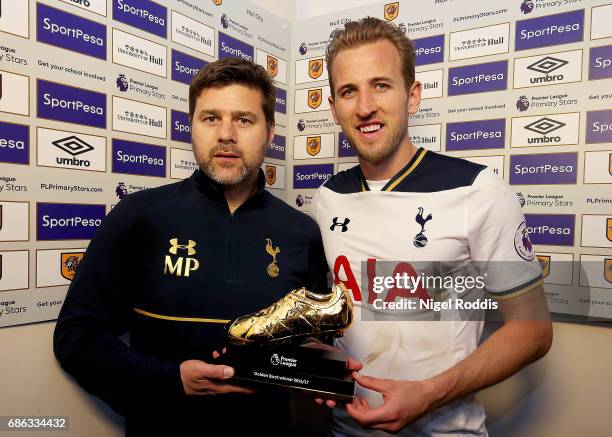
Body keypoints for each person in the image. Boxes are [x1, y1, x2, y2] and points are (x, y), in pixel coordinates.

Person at [53, 58, 328, 436]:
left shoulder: (302, 233)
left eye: (244, 120)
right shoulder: (139, 216)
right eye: (211, 118)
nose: (226, 134)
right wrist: (171, 380)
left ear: (270, 133)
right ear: (191, 127)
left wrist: (318, 368)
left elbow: (305, 345)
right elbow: (75, 338)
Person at [313, 17, 553, 436]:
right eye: (349, 91)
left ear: (412, 95)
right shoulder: (326, 198)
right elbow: (338, 320)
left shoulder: (479, 190)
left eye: (381, 85)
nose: (365, 105)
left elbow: (533, 330)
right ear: (334, 108)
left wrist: (430, 392)